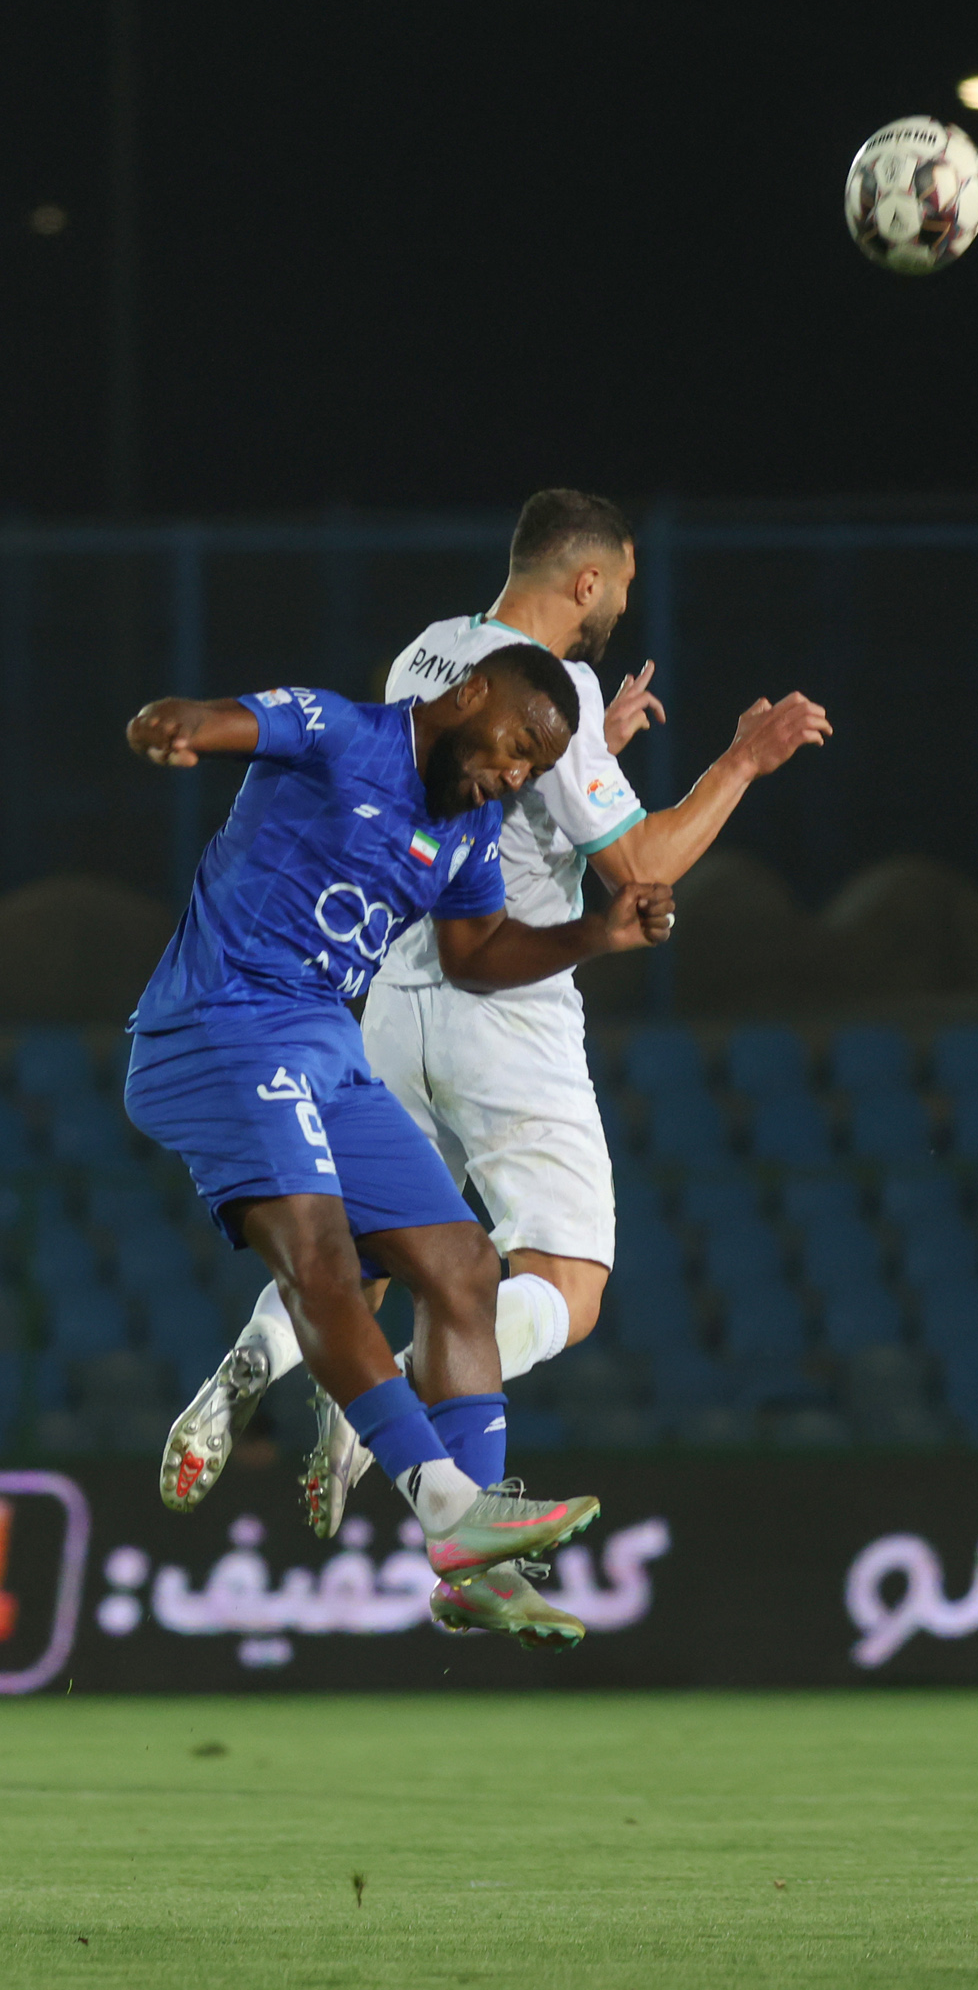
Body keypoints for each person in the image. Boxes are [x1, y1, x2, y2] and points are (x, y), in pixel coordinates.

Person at [164, 485, 829, 1626]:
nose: (623, 603)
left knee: (369, 1246)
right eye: (622, 583)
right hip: (503, 1002)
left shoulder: (433, 654)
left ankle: (262, 1358)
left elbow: (471, 789)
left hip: (386, 990)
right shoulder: (556, 681)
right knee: (566, 1283)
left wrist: (596, 753)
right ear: (586, 579)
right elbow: (641, 869)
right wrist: (739, 764)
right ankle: (400, 1423)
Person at [125, 645, 674, 1650]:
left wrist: (598, 936)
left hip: (323, 1045)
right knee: (323, 1259)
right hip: (219, 1028)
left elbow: (477, 955)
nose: (514, 773)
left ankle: (475, 1573)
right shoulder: (341, 733)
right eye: (515, 745)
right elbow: (220, 717)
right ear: (470, 694)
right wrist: (176, 724)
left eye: (533, 766)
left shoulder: (467, 828)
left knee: (462, 1263)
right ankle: (449, 1508)